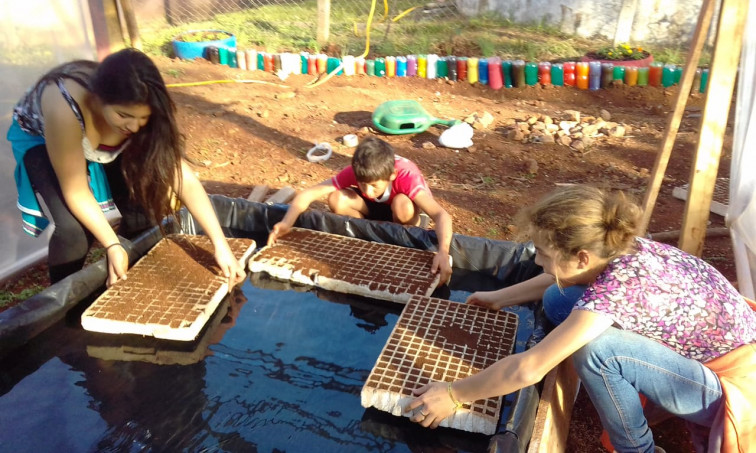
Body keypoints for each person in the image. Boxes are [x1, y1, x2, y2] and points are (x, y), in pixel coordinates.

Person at [405, 184, 756, 453]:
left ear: (582, 257)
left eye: (542, 253)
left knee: (598, 350)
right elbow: (564, 276)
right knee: (559, 297)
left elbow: (528, 369)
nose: (537, 260)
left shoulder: (621, 287)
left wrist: (454, 393)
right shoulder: (618, 247)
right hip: (719, 348)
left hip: (735, 382)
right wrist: (498, 299)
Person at [6, 48, 245, 288]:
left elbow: (182, 178)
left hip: (103, 136)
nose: (134, 125)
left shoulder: (137, 119)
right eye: (125, 115)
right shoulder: (63, 109)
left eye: (143, 118)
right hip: (43, 139)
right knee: (74, 230)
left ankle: (135, 275)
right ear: (98, 100)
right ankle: (63, 305)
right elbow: (76, 190)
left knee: (145, 200)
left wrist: (220, 244)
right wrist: (111, 244)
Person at [267, 136, 453, 283]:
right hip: (373, 211)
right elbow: (308, 194)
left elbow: (441, 215)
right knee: (336, 198)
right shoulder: (359, 172)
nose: (368, 191)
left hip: (404, 215)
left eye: (374, 186)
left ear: (392, 175)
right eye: (362, 185)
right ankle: (370, 235)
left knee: (401, 203)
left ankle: (395, 241)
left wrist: (443, 251)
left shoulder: (406, 176)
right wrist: (286, 222)